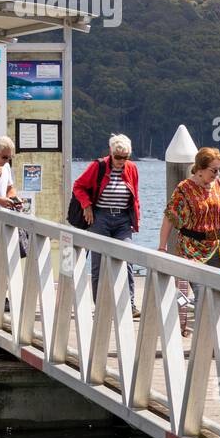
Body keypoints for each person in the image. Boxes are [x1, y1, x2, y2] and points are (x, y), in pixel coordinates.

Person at [159, 147, 220, 335]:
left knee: (219, 295)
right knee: (201, 295)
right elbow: (169, 217)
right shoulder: (184, 188)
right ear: (199, 169)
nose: (217, 174)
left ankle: (215, 339)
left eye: (219, 170)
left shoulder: (219, 185)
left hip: (217, 248)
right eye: (214, 170)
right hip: (191, 249)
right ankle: (203, 340)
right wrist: (162, 246)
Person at [74, 134, 141, 316]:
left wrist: (136, 220)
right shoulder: (99, 166)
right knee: (99, 262)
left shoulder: (132, 168)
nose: (121, 161)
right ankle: (101, 306)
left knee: (127, 259)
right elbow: (78, 186)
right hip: (100, 217)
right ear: (111, 153)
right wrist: (86, 205)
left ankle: (130, 305)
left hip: (123, 219)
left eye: (125, 157)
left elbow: (134, 196)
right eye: (118, 157)